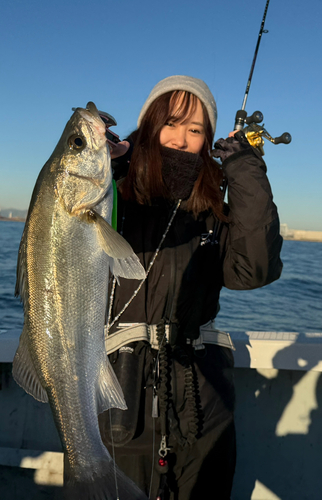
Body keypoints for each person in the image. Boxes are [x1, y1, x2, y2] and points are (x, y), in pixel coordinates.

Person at [98, 75, 283, 500]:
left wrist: (245, 168)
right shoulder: (115, 191)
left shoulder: (212, 207)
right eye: (171, 123)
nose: (181, 139)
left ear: (209, 139)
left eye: (195, 129)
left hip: (201, 400)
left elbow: (253, 270)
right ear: (149, 127)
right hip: (115, 393)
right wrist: (103, 162)